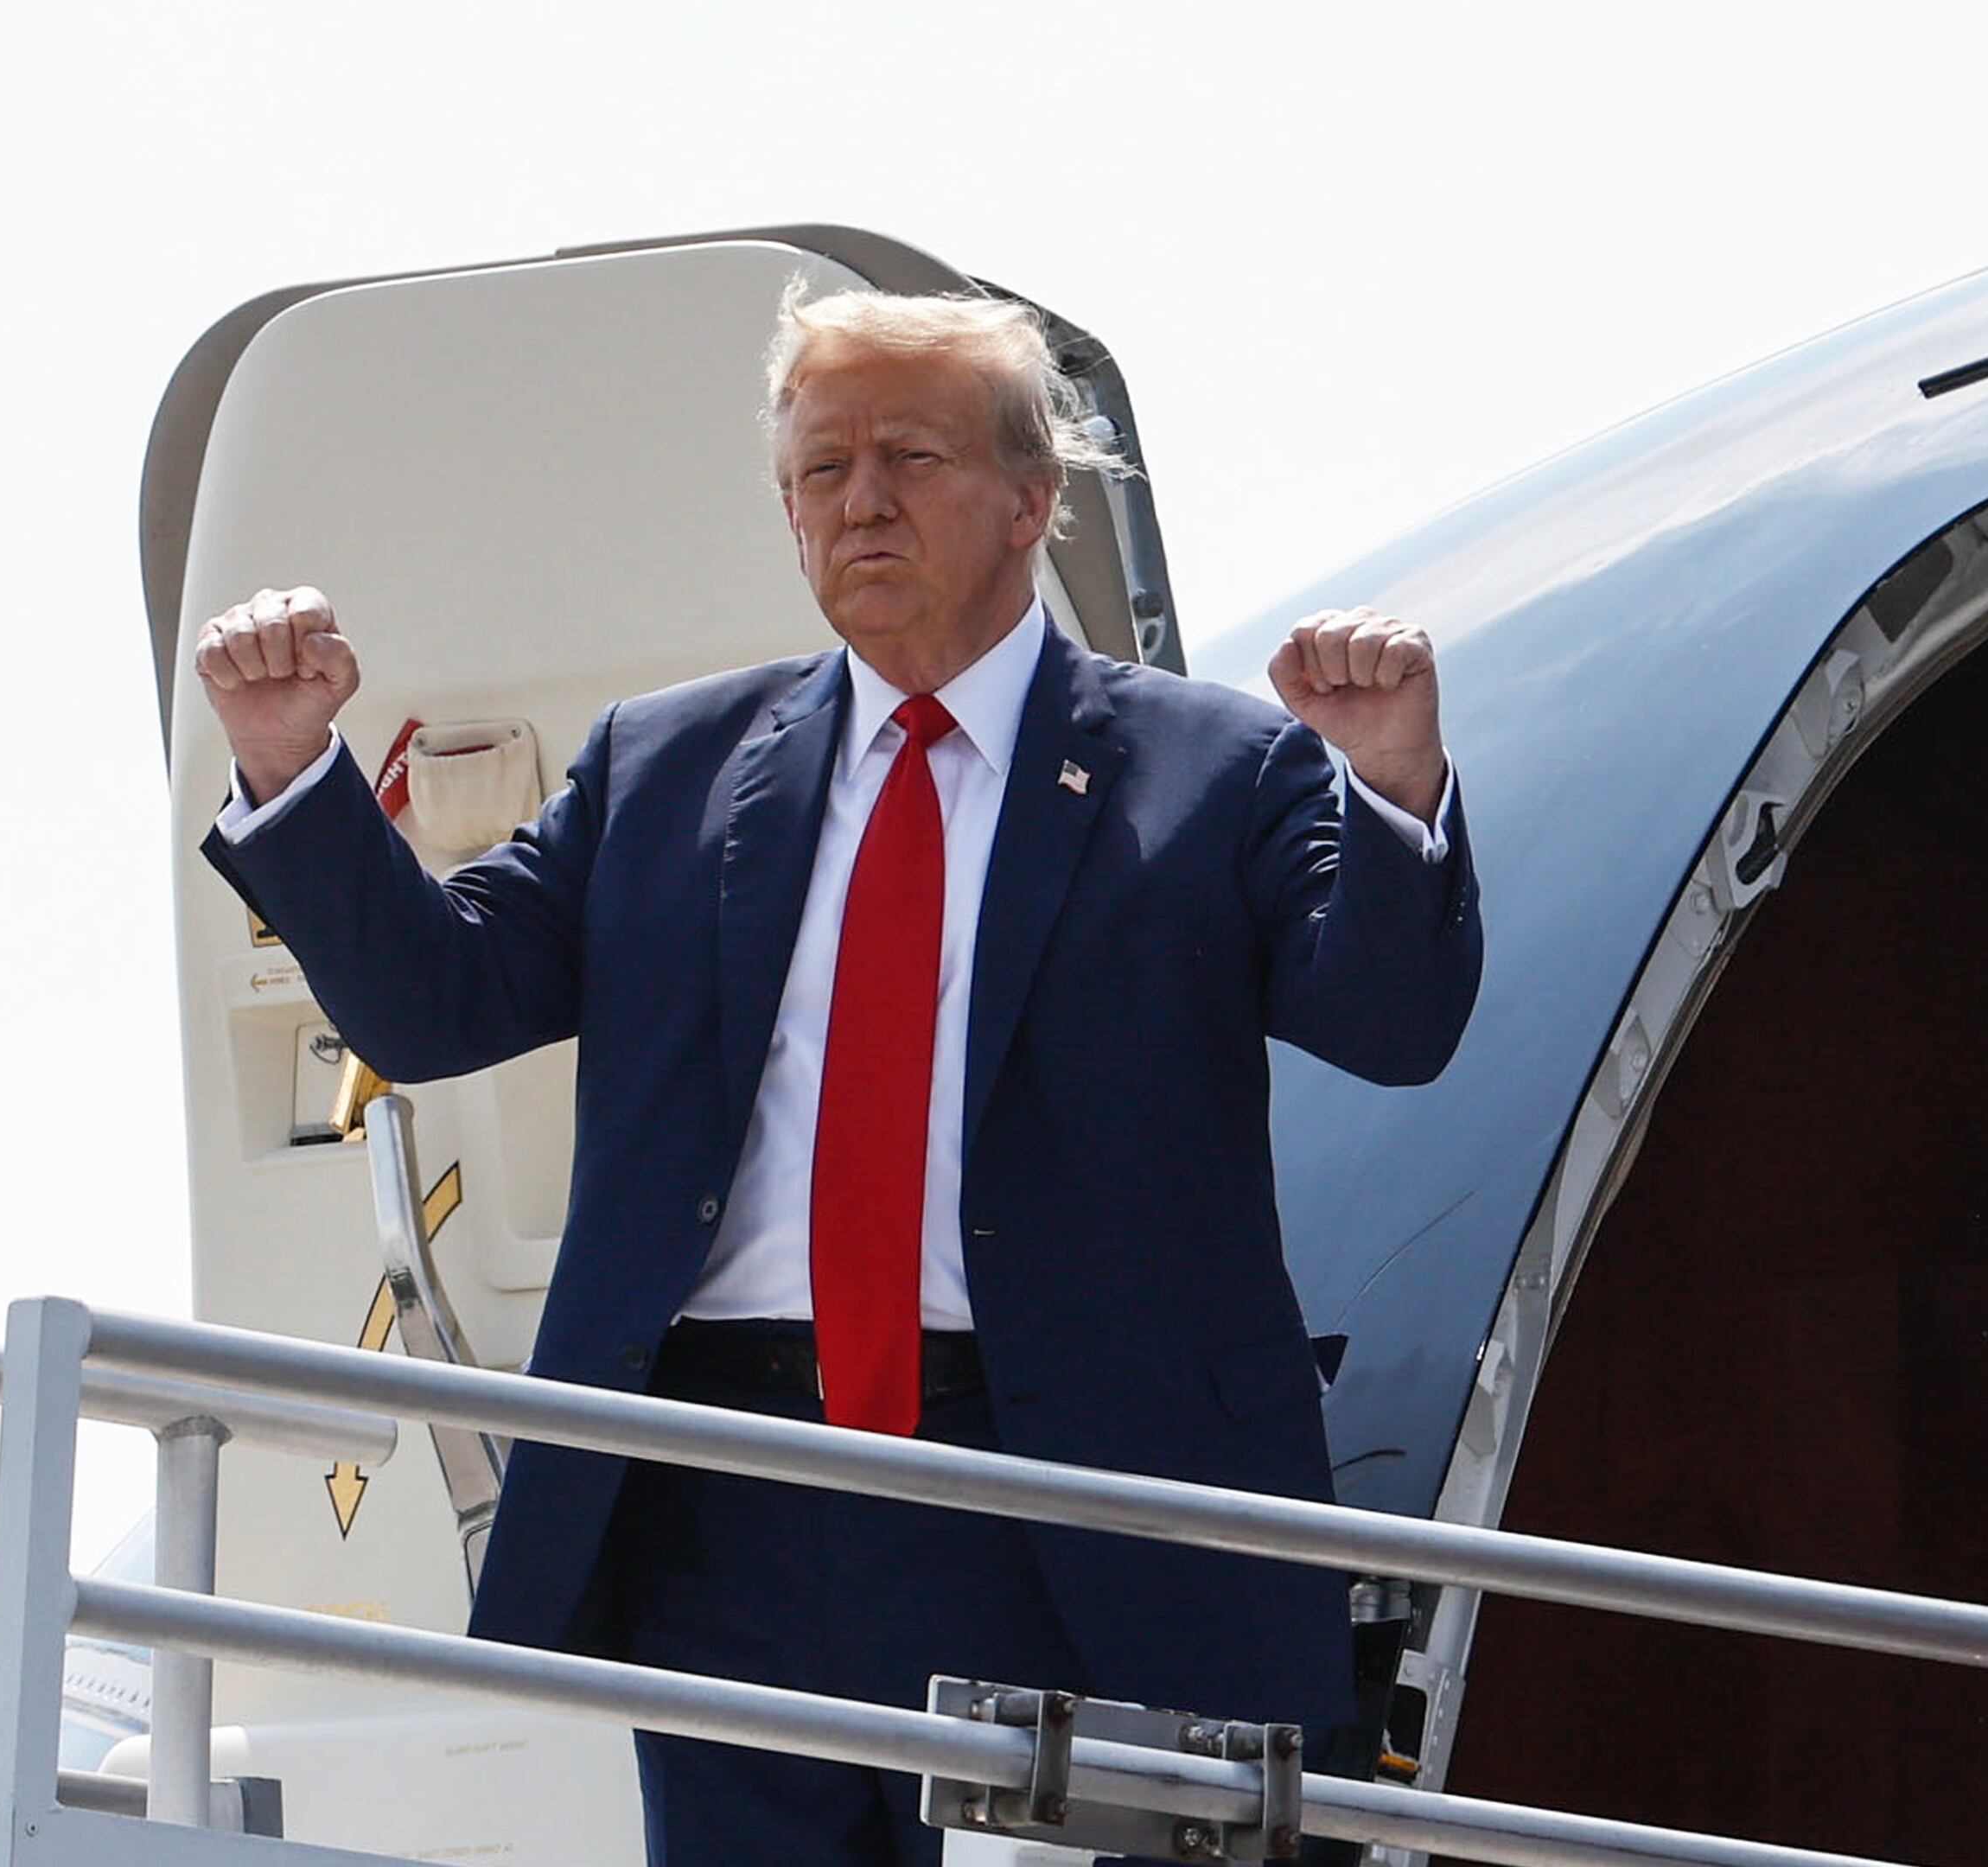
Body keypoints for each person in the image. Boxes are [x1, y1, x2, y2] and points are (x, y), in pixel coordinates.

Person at [193, 284, 1481, 1867]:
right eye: (820, 470)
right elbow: (439, 1008)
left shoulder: (1218, 768)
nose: (859, 500)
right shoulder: (661, 767)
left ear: (1031, 499)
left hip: (1069, 1485)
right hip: (732, 1500)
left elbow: (1395, 1027)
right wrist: (290, 773)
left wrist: (1397, 788)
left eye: (910, 457)